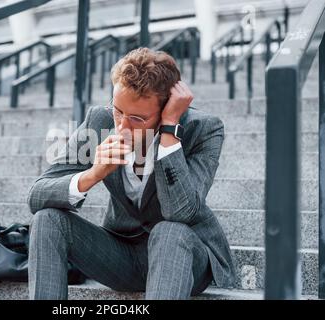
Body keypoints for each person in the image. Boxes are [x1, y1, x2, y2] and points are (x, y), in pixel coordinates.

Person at [27, 47, 236, 300]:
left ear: (167, 109)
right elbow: (37, 195)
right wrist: (93, 174)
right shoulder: (100, 121)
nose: (122, 126)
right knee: (47, 219)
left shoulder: (203, 130)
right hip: (122, 255)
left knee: (168, 231)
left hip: (184, 256)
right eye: (118, 111)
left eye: (137, 118)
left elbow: (180, 212)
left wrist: (170, 131)